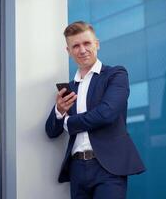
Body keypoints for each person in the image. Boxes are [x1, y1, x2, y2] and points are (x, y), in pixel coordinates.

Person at [45, 21, 145, 199]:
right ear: (68, 51)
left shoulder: (116, 75)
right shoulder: (68, 88)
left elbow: (107, 113)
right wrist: (59, 112)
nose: (82, 50)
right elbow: (51, 132)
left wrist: (68, 122)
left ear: (96, 44)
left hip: (108, 168)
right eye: (75, 46)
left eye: (87, 43)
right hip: (76, 169)